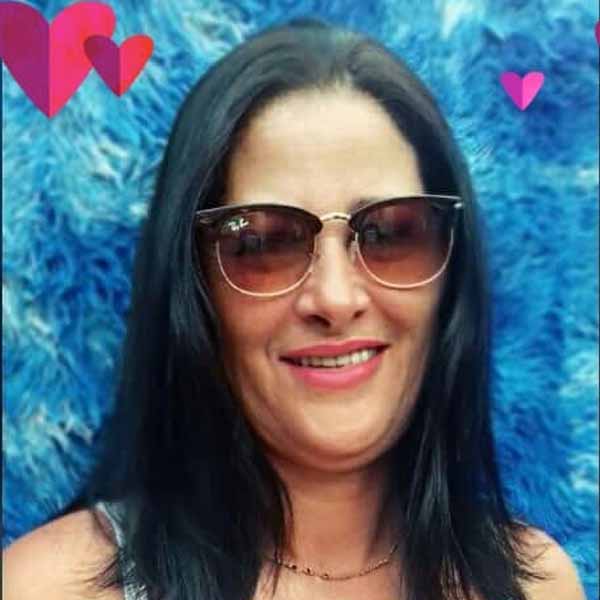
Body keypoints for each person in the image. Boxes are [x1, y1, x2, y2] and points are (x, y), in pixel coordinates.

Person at [3, 17, 586, 600]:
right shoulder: (50, 588)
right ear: (195, 287)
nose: (335, 298)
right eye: (263, 242)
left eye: (390, 233)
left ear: (452, 279)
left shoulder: (533, 585)